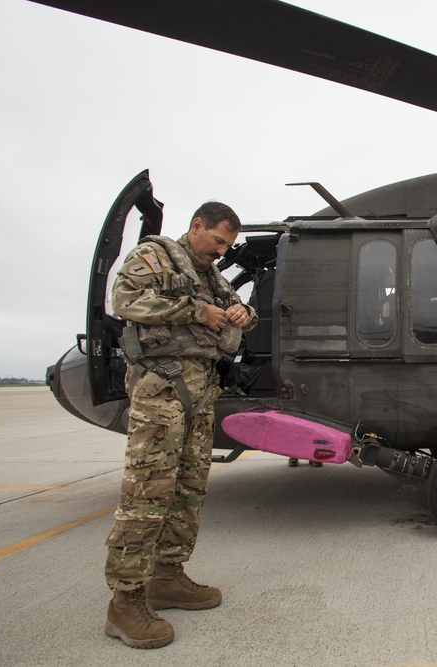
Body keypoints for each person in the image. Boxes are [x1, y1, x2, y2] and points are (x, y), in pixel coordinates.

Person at [103, 201, 257, 648]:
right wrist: (196, 312)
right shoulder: (153, 258)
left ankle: (166, 576)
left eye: (228, 245)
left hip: (200, 394)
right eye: (217, 241)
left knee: (189, 488)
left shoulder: (213, 277)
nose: (221, 251)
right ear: (196, 226)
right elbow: (125, 301)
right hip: (160, 393)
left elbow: (242, 313)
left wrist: (242, 316)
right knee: (148, 491)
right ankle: (124, 601)